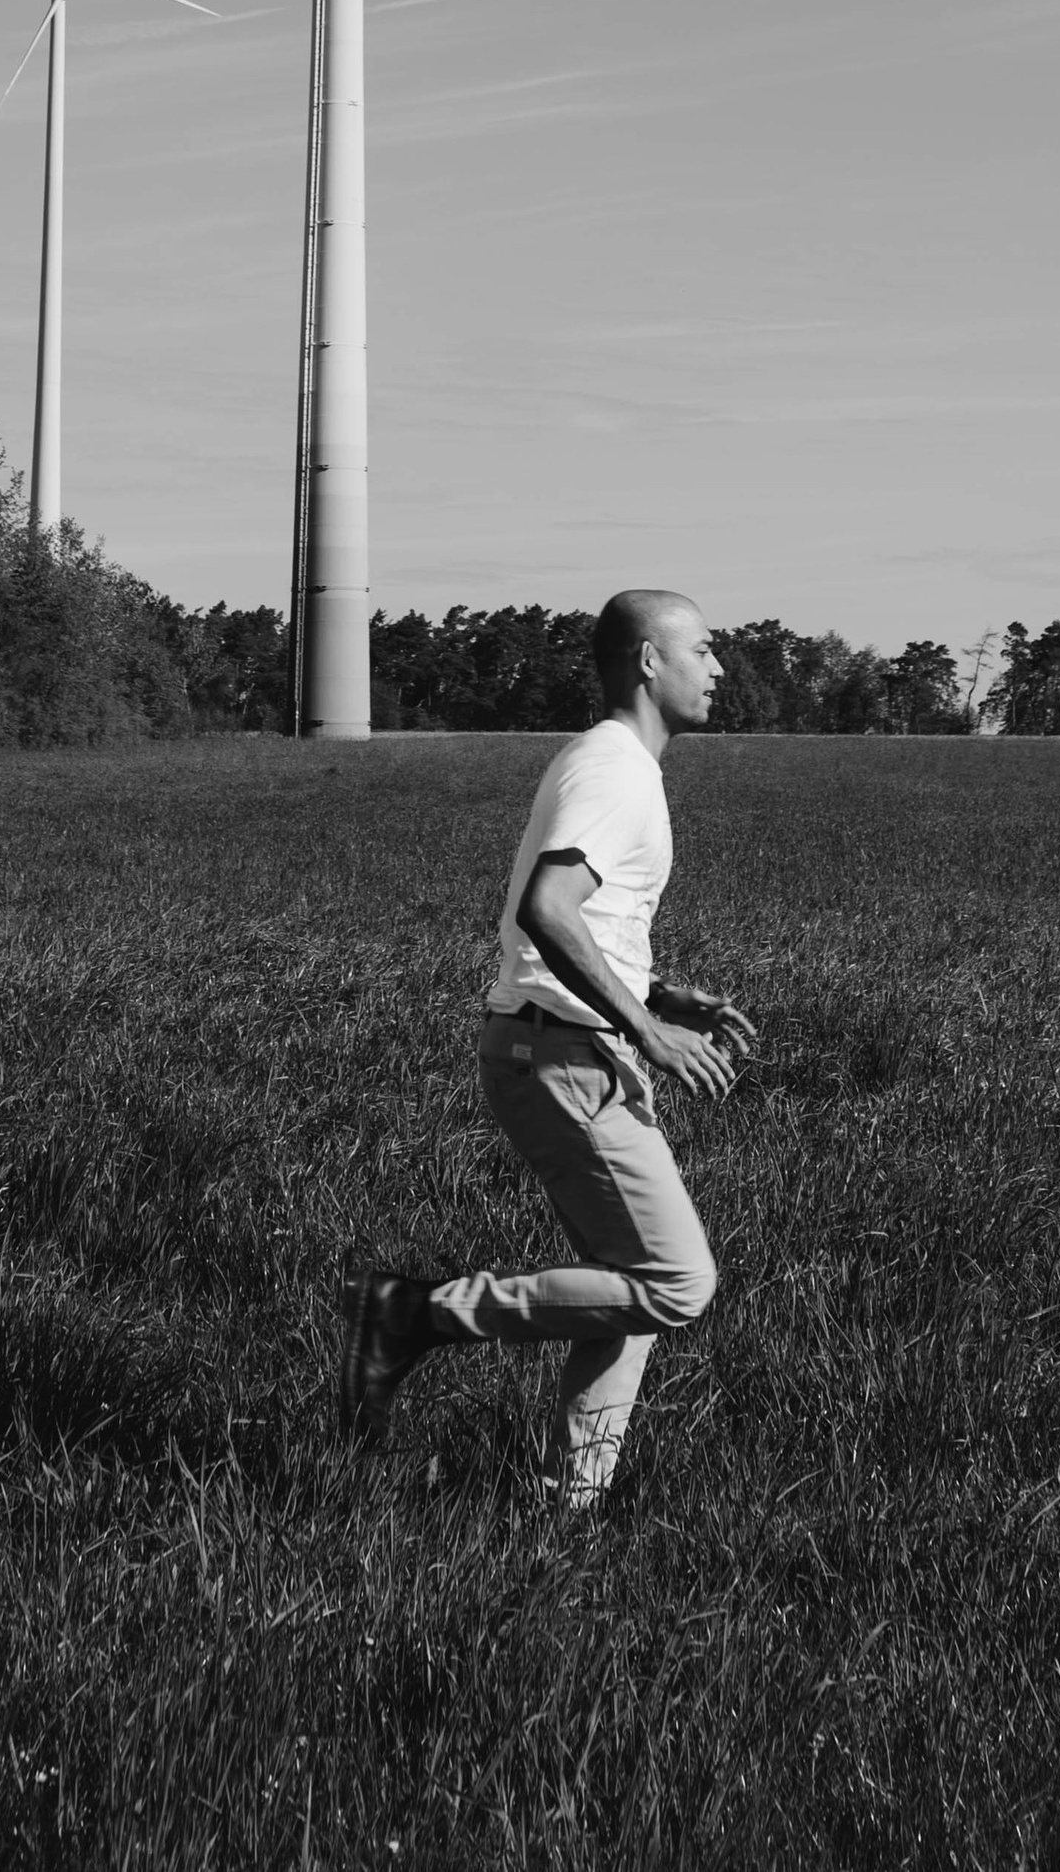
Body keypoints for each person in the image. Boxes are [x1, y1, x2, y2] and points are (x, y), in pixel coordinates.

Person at [337, 587, 754, 1504]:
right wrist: (645, 1027)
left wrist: (657, 991)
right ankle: (412, 1313)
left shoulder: (614, 763)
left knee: (627, 1285)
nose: (719, 667)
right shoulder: (615, 770)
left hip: (559, 1046)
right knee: (678, 1282)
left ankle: (568, 1502)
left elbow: (579, 924)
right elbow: (548, 909)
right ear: (650, 660)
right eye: (703, 649)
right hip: (563, 1056)